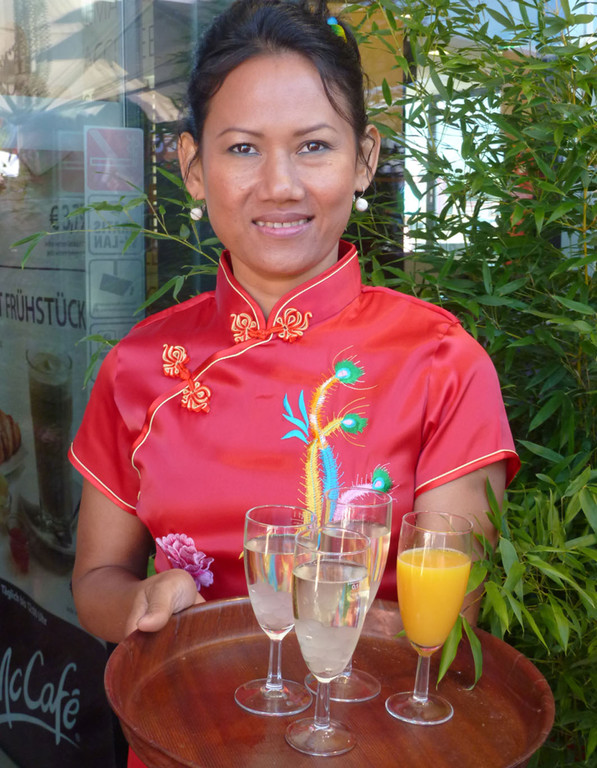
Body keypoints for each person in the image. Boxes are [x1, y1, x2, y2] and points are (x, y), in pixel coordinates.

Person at [70, 0, 519, 764]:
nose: (278, 185)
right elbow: (95, 580)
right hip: (181, 738)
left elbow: (451, 616)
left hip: (372, 746)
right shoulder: (140, 365)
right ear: (192, 166)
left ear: (364, 159)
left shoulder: (441, 362)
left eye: (313, 146)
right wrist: (144, 599)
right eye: (242, 148)